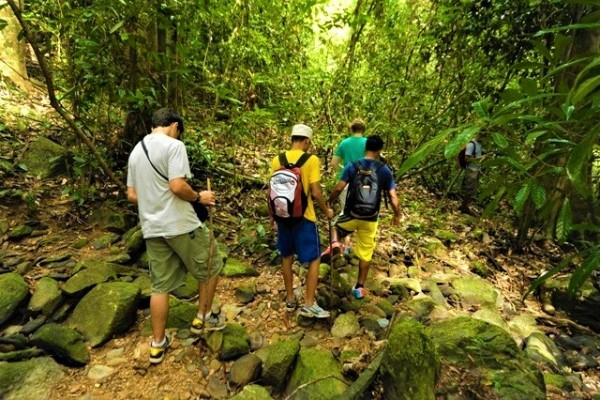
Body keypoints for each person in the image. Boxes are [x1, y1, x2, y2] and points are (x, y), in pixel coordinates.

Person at [126, 108, 224, 364]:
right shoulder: (174, 146)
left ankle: (157, 345)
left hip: (152, 227)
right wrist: (199, 197)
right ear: (175, 126)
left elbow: (133, 195)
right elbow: (178, 186)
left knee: (160, 286)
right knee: (211, 266)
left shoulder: (136, 151)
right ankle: (203, 318)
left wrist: (155, 202)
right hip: (181, 225)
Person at [269, 124, 334, 318]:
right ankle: (309, 303)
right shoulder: (311, 160)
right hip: (305, 217)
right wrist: (326, 210)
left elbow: (271, 191)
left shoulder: (277, 159)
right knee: (314, 258)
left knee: (286, 256)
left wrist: (272, 217)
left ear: (292, 139)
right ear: (306, 141)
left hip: (283, 216)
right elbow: (315, 191)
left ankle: (290, 299)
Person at [327, 135, 400, 299]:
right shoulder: (384, 170)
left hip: (351, 214)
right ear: (380, 150)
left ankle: (335, 243)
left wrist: (329, 202)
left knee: (335, 227)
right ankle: (359, 287)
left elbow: (339, 188)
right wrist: (397, 215)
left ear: (365, 147)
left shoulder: (353, 166)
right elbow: (393, 198)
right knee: (366, 253)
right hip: (370, 218)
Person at [328, 118, 368, 254]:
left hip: (346, 182)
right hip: (365, 183)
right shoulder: (368, 143)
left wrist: (343, 169)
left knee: (346, 211)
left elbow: (333, 163)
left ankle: (344, 243)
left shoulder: (344, 143)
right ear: (363, 130)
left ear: (351, 129)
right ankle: (353, 246)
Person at [460, 137, 484, 215]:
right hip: (471, 170)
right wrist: (481, 158)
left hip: (476, 169)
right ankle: (464, 207)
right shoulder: (471, 144)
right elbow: (467, 159)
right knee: (469, 189)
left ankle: (464, 206)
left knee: (472, 190)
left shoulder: (480, 144)